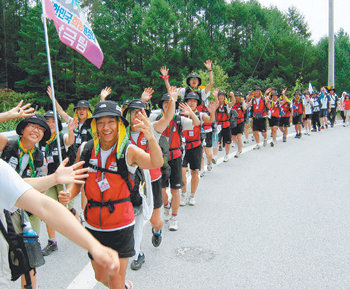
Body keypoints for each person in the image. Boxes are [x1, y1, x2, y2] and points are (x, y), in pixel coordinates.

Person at [59, 100, 163, 289]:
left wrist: (151, 138)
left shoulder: (128, 150)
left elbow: (155, 162)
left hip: (120, 224)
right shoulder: (86, 149)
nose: (106, 128)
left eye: (111, 122)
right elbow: (79, 181)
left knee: (115, 281)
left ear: (119, 124)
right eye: (100, 122)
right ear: (94, 125)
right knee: (100, 277)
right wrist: (69, 193)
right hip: (93, 225)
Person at [123, 87, 178, 270]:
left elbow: (167, 117)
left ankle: (157, 231)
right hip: (131, 181)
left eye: (140, 112)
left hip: (152, 180)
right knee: (133, 219)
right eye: (133, 113)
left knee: (155, 220)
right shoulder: (122, 134)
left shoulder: (153, 129)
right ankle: (138, 252)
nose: (137, 116)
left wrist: (172, 100)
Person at [151, 93, 198, 231]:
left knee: (175, 190)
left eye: (170, 102)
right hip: (160, 158)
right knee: (161, 190)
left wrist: (191, 113)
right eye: (165, 102)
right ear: (162, 105)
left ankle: (174, 217)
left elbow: (196, 123)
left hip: (176, 156)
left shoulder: (179, 120)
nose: (167, 104)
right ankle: (166, 205)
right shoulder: (156, 118)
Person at [39, 110, 78, 256]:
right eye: (47, 121)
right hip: (49, 178)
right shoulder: (41, 139)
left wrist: (71, 131)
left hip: (64, 178)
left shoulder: (62, 137)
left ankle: (77, 222)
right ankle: (52, 241)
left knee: (66, 210)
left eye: (53, 121)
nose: (50, 124)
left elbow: (70, 141)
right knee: (48, 209)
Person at [181, 92, 215, 206]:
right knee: (182, 171)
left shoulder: (200, 114)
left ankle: (192, 195)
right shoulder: (180, 114)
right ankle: (183, 194)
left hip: (196, 147)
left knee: (194, 172)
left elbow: (210, 120)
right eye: (190, 100)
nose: (192, 103)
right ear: (186, 102)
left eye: (194, 101)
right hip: (183, 146)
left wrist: (212, 112)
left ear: (197, 103)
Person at [213, 89, 235, 161]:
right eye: (220, 95)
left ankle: (227, 155)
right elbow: (216, 103)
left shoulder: (227, 105)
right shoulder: (216, 105)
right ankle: (215, 156)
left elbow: (233, 102)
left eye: (223, 95)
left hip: (226, 125)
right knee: (217, 140)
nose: (221, 97)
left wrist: (232, 96)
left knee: (227, 142)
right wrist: (215, 96)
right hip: (218, 125)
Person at [230, 91, 248, 157]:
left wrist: (243, 101)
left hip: (240, 121)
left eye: (238, 96)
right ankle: (240, 146)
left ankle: (239, 150)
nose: (237, 97)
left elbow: (244, 108)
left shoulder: (241, 104)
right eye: (236, 96)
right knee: (234, 138)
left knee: (239, 136)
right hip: (233, 122)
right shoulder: (232, 104)